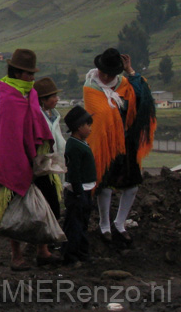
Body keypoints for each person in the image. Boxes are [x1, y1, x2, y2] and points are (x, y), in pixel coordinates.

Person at [83, 48, 156, 247]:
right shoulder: (91, 87)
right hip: (104, 143)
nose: (105, 75)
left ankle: (120, 223)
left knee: (131, 185)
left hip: (126, 142)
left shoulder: (125, 84)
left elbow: (142, 97)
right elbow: (101, 115)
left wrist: (131, 71)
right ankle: (104, 225)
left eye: (110, 73)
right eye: (104, 71)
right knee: (105, 184)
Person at [0, 48, 54, 270]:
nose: (32, 78)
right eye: (29, 74)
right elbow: (9, 135)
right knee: (13, 206)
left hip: (34, 157)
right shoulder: (9, 97)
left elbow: (36, 122)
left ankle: (42, 249)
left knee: (44, 201)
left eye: (33, 74)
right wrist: (19, 159)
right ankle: (16, 255)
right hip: (12, 160)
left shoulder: (32, 94)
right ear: (17, 73)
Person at [33, 76, 64, 264]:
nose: (56, 99)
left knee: (52, 205)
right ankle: (43, 247)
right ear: (43, 99)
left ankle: (46, 244)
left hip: (52, 167)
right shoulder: (38, 117)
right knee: (47, 206)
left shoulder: (54, 116)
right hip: (41, 169)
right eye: (53, 96)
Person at [61, 105, 96, 267]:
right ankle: (71, 255)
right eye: (88, 125)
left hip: (84, 190)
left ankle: (82, 253)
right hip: (77, 192)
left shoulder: (80, 143)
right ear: (78, 127)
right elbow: (74, 172)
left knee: (81, 224)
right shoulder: (74, 146)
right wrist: (78, 192)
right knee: (74, 225)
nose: (90, 128)